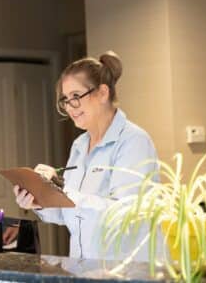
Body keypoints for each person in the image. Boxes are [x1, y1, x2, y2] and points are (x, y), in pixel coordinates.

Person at [13, 51, 159, 261]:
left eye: (76, 96)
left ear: (102, 93)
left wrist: (64, 190)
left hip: (125, 269)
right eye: (65, 99)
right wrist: (41, 199)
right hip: (84, 267)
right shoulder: (80, 145)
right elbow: (71, 212)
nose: (70, 107)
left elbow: (125, 215)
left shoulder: (134, 142)